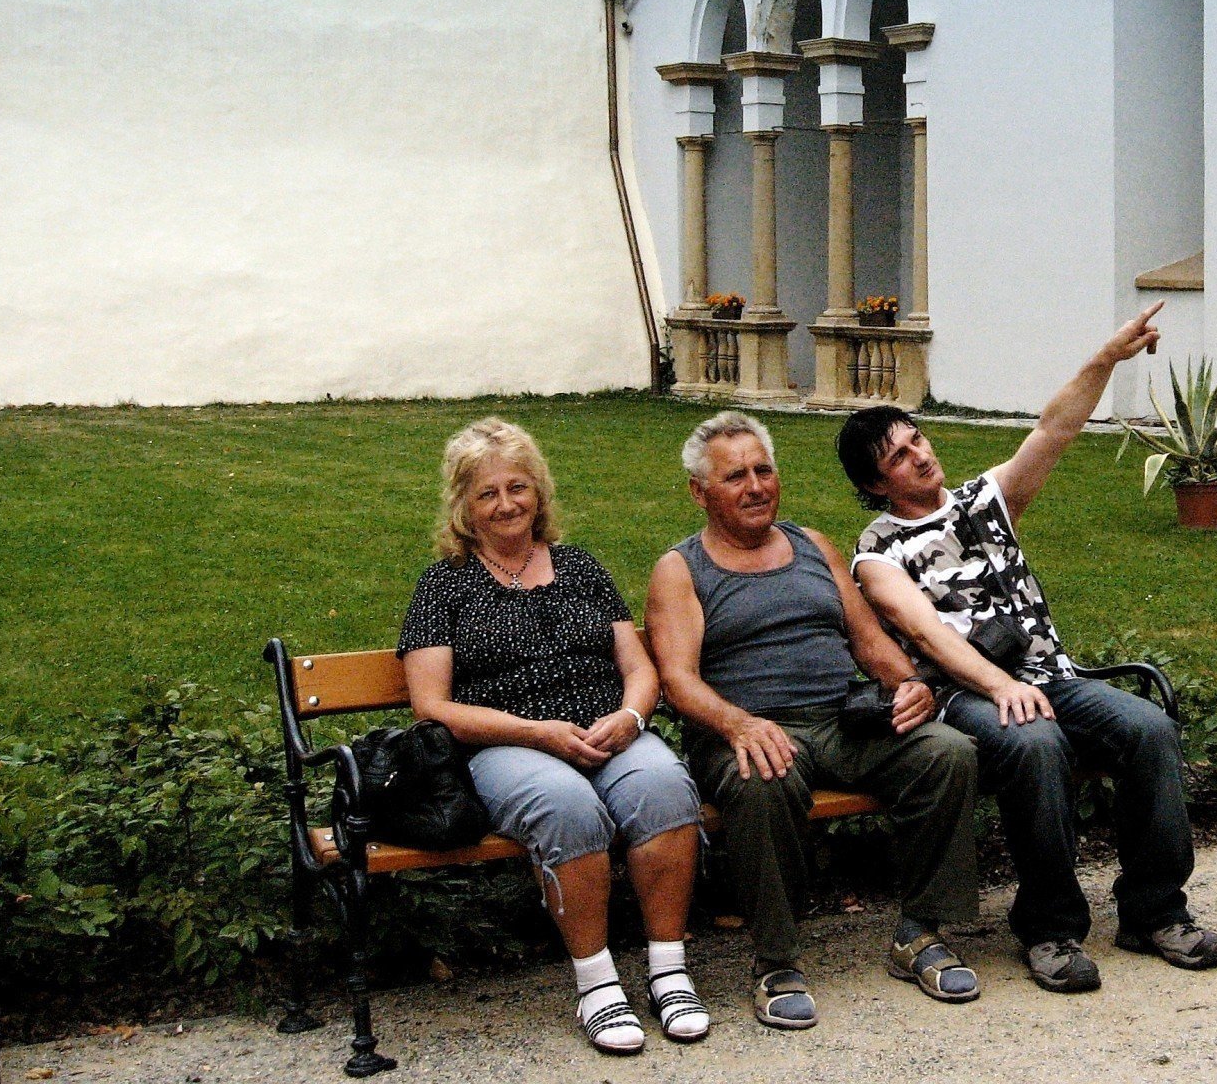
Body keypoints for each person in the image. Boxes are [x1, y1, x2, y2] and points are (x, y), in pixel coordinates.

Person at [841, 303, 1217, 994]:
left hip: (1052, 675)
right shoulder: (877, 551)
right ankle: (1050, 929)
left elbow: (1055, 427)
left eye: (917, 439)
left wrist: (1106, 356)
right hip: (965, 695)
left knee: (1148, 729)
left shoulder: (985, 501)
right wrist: (997, 686)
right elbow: (926, 634)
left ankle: (1153, 910)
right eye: (898, 456)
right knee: (1035, 742)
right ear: (874, 484)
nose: (921, 454)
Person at [645, 410, 983, 1031]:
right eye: (735, 477)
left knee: (947, 752)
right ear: (700, 491)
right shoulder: (681, 568)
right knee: (762, 781)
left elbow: (868, 642)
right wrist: (739, 724)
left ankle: (920, 933)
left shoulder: (813, 545)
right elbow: (678, 682)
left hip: (840, 720)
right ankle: (776, 962)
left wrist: (910, 685)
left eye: (763, 470)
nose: (755, 487)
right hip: (747, 729)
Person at [399, 417, 707, 1056]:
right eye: (488, 494)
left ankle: (668, 968)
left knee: (665, 786)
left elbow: (638, 666)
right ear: (463, 506)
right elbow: (431, 704)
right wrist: (536, 733)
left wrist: (632, 717)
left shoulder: (580, 567)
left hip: (607, 732)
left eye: (518, 487)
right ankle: (597, 984)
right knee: (564, 806)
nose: (507, 504)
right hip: (506, 744)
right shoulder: (443, 585)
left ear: (538, 492)